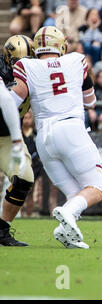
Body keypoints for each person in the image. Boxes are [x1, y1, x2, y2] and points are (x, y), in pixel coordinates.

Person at [11, 26, 102, 249]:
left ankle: (67, 235)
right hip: (71, 130)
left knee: (75, 194)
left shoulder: (25, 65)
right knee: (97, 187)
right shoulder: (76, 60)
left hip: (44, 137)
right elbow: (90, 101)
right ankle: (65, 214)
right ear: (60, 45)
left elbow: (13, 102)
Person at [0, 35, 35, 246]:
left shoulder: (35, 72)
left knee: (24, 177)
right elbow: (5, 101)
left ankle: (2, 230)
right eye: (19, 61)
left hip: (6, 138)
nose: (23, 65)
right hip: (8, 135)